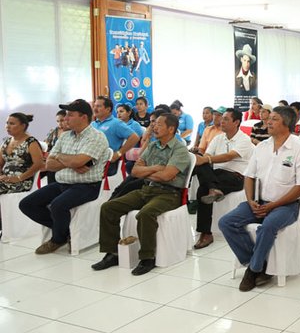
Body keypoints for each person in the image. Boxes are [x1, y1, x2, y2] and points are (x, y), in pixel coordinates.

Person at [218, 106, 300, 291]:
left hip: (286, 206)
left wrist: (274, 206)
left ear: (286, 124)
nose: (268, 122)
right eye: (269, 118)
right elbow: (249, 176)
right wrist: (251, 200)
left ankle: (252, 271)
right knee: (226, 223)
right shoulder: (261, 147)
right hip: (259, 202)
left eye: (274, 119)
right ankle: (256, 263)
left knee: (268, 226)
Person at [92, 113, 193, 276]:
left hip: (169, 193)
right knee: (109, 207)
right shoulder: (153, 146)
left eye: (159, 124)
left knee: (145, 214)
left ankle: (147, 258)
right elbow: (135, 171)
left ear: (171, 129)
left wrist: (149, 172)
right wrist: (156, 168)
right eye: (154, 124)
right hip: (147, 189)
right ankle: (113, 254)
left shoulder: (179, 149)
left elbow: (167, 176)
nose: (154, 127)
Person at [20, 99, 108, 254]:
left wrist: (65, 159)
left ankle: (58, 239)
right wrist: (71, 161)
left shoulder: (96, 137)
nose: (66, 118)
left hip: (86, 185)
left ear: (83, 117)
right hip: (62, 183)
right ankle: (64, 230)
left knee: (57, 205)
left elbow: (77, 161)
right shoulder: (65, 136)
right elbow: (49, 165)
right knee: (27, 204)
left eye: (70, 115)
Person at [192, 108, 255, 249]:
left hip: (236, 176)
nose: (221, 121)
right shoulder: (218, 138)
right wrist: (203, 159)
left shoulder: (244, 139)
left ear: (236, 122)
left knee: (203, 188)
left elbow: (229, 156)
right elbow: (207, 156)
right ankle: (213, 189)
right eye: (222, 118)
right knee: (201, 167)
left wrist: (205, 160)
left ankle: (206, 233)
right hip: (218, 174)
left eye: (226, 119)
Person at [92, 96, 139, 176]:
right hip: (90, 159)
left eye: (99, 106)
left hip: (106, 163)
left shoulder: (116, 123)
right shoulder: (92, 124)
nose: (95, 108)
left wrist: (118, 154)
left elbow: (134, 137)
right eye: (94, 106)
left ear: (108, 109)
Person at [0, 113, 44, 195]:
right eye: (7, 123)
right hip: (5, 180)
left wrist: (18, 178)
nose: (7, 126)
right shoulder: (7, 141)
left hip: (22, 181)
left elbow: (39, 164)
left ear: (23, 126)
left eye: (12, 124)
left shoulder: (31, 142)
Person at [43, 110, 69, 183]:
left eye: (62, 120)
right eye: (57, 121)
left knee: (51, 169)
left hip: (62, 158)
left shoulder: (71, 132)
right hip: (51, 156)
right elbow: (46, 145)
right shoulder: (54, 131)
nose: (60, 124)